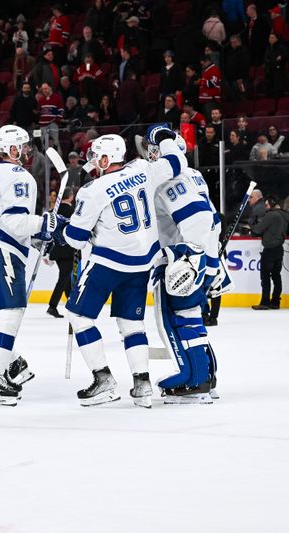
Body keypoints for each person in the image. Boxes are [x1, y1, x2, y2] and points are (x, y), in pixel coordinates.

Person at [63, 125, 187, 408]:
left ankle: (103, 379)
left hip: (107, 262)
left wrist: (65, 225)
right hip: (143, 262)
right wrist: (166, 138)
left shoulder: (92, 190)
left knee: (78, 316)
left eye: (97, 157)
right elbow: (177, 162)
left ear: (107, 159)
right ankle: (142, 385)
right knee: (132, 323)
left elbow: (74, 239)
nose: (93, 162)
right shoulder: (143, 168)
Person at [0, 126, 65, 406]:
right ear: (12, 150)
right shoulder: (19, 176)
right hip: (3, 250)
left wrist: (38, 235)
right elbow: (14, 221)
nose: (28, 151)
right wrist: (48, 223)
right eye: (23, 146)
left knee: (9, 312)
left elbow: (9, 220)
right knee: (11, 313)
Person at [148, 134, 226, 404]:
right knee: (192, 317)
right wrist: (213, 262)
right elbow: (214, 219)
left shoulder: (170, 180)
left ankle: (193, 379)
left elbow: (198, 219)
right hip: (202, 257)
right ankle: (206, 375)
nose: (152, 155)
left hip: (183, 262)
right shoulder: (195, 175)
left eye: (156, 150)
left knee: (176, 318)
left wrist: (185, 255)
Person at [251, 195, 289, 310]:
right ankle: (275, 302)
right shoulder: (285, 215)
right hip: (279, 249)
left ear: (272, 203)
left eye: (267, 204)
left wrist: (253, 227)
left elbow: (257, 229)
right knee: (277, 277)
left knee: (265, 277)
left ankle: (265, 302)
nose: (266, 207)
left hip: (269, 250)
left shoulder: (272, 215)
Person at [47, 187, 75, 318]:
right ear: (70, 197)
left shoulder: (53, 211)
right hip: (67, 249)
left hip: (55, 249)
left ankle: (71, 300)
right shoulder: (72, 211)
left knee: (65, 275)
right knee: (64, 277)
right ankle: (52, 306)